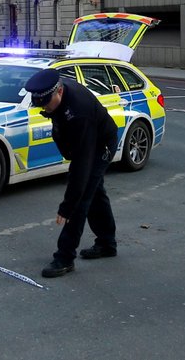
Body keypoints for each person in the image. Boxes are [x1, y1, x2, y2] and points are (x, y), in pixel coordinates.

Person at [25, 68, 118, 278]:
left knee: (81, 199)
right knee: (95, 193)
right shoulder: (57, 93)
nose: (45, 109)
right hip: (85, 143)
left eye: (47, 103)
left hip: (100, 145)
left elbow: (81, 168)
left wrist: (66, 207)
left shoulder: (79, 112)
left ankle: (64, 258)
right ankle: (106, 243)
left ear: (58, 92)